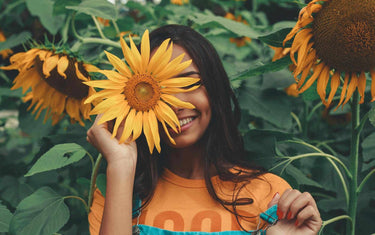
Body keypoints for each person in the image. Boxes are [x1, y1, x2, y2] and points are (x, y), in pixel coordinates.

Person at [87, 25, 322, 235]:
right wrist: (120, 163)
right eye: (155, 90)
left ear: (215, 88)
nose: (177, 104)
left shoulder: (271, 195)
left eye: (188, 83)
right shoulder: (119, 194)